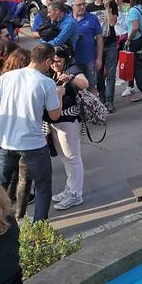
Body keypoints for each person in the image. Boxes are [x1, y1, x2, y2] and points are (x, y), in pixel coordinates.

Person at [0, 44, 61, 222]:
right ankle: (39, 230)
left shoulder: (7, 77)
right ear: (47, 61)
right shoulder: (47, 82)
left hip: (6, 142)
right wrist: (59, 95)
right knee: (42, 186)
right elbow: (54, 115)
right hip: (34, 144)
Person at [47, 49, 90, 210]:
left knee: (72, 157)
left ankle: (75, 194)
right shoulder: (50, 73)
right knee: (65, 157)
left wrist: (71, 78)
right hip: (55, 121)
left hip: (68, 120)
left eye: (58, 61)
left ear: (66, 60)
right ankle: (70, 188)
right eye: (52, 61)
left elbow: (84, 83)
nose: (55, 64)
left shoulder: (72, 70)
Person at [91, 0, 119, 111]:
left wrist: (107, 8)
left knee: (111, 73)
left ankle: (109, 100)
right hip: (96, 45)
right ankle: (102, 97)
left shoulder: (112, 4)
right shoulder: (90, 8)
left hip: (111, 42)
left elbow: (112, 23)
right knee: (99, 74)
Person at [67, 0, 102, 91]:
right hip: (72, 62)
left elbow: (99, 38)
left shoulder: (92, 18)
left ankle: (93, 105)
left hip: (89, 60)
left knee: (92, 86)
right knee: (75, 88)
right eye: (79, 5)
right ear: (72, 6)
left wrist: (99, 58)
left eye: (84, 4)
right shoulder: (67, 20)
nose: (82, 7)